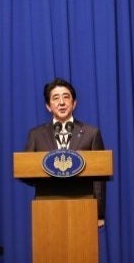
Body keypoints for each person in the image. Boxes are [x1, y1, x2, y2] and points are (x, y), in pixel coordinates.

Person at [25, 78, 106, 227]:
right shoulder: (35, 135)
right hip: (46, 207)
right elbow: (26, 171)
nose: (61, 102)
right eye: (55, 98)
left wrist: (99, 212)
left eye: (66, 97)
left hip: (83, 206)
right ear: (48, 106)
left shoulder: (91, 133)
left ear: (74, 103)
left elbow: (99, 179)